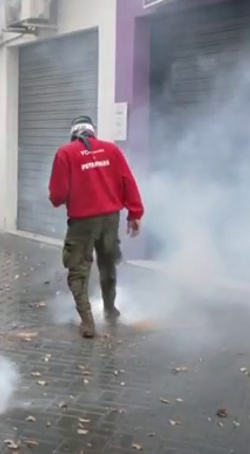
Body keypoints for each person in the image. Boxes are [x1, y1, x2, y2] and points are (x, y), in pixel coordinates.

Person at [48, 115, 144, 339]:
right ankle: (110, 312)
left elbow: (57, 196)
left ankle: (88, 322)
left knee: (78, 270)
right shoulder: (111, 151)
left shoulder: (66, 153)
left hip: (82, 221)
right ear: (92, 132)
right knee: (107, 263)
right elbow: (127, 181)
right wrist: (135, 213)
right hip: (110, 218)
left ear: (74, 133)